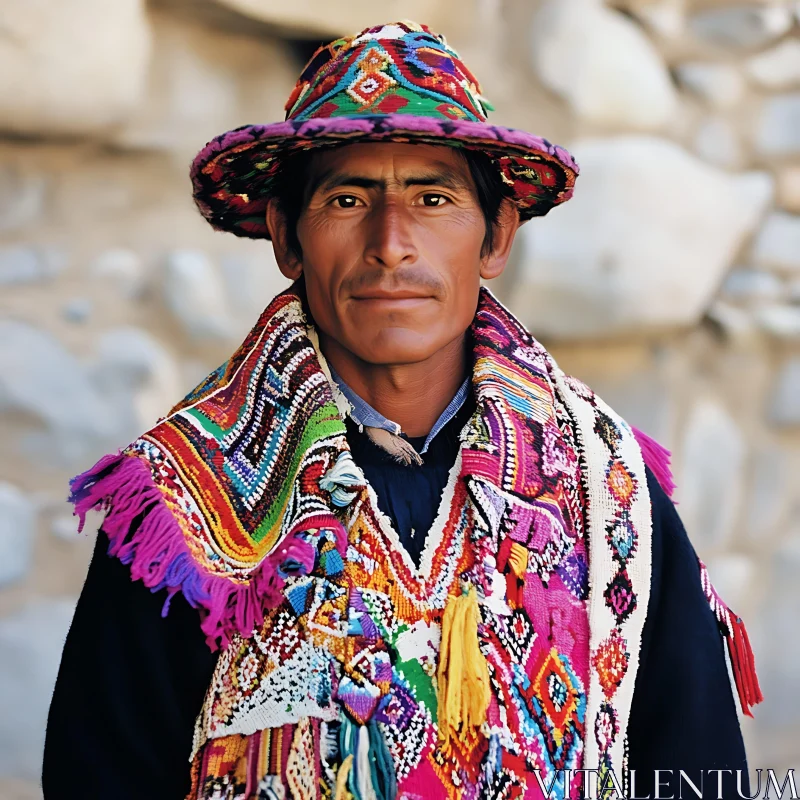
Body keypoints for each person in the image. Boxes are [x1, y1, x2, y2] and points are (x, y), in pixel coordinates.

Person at [43, 20, 762, 800]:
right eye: (348, 199)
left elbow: (698, 771)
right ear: (288, 237)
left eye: (433, 197)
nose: (392, 243)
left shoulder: (606, 490)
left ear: (496, 238)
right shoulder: (183, 505)